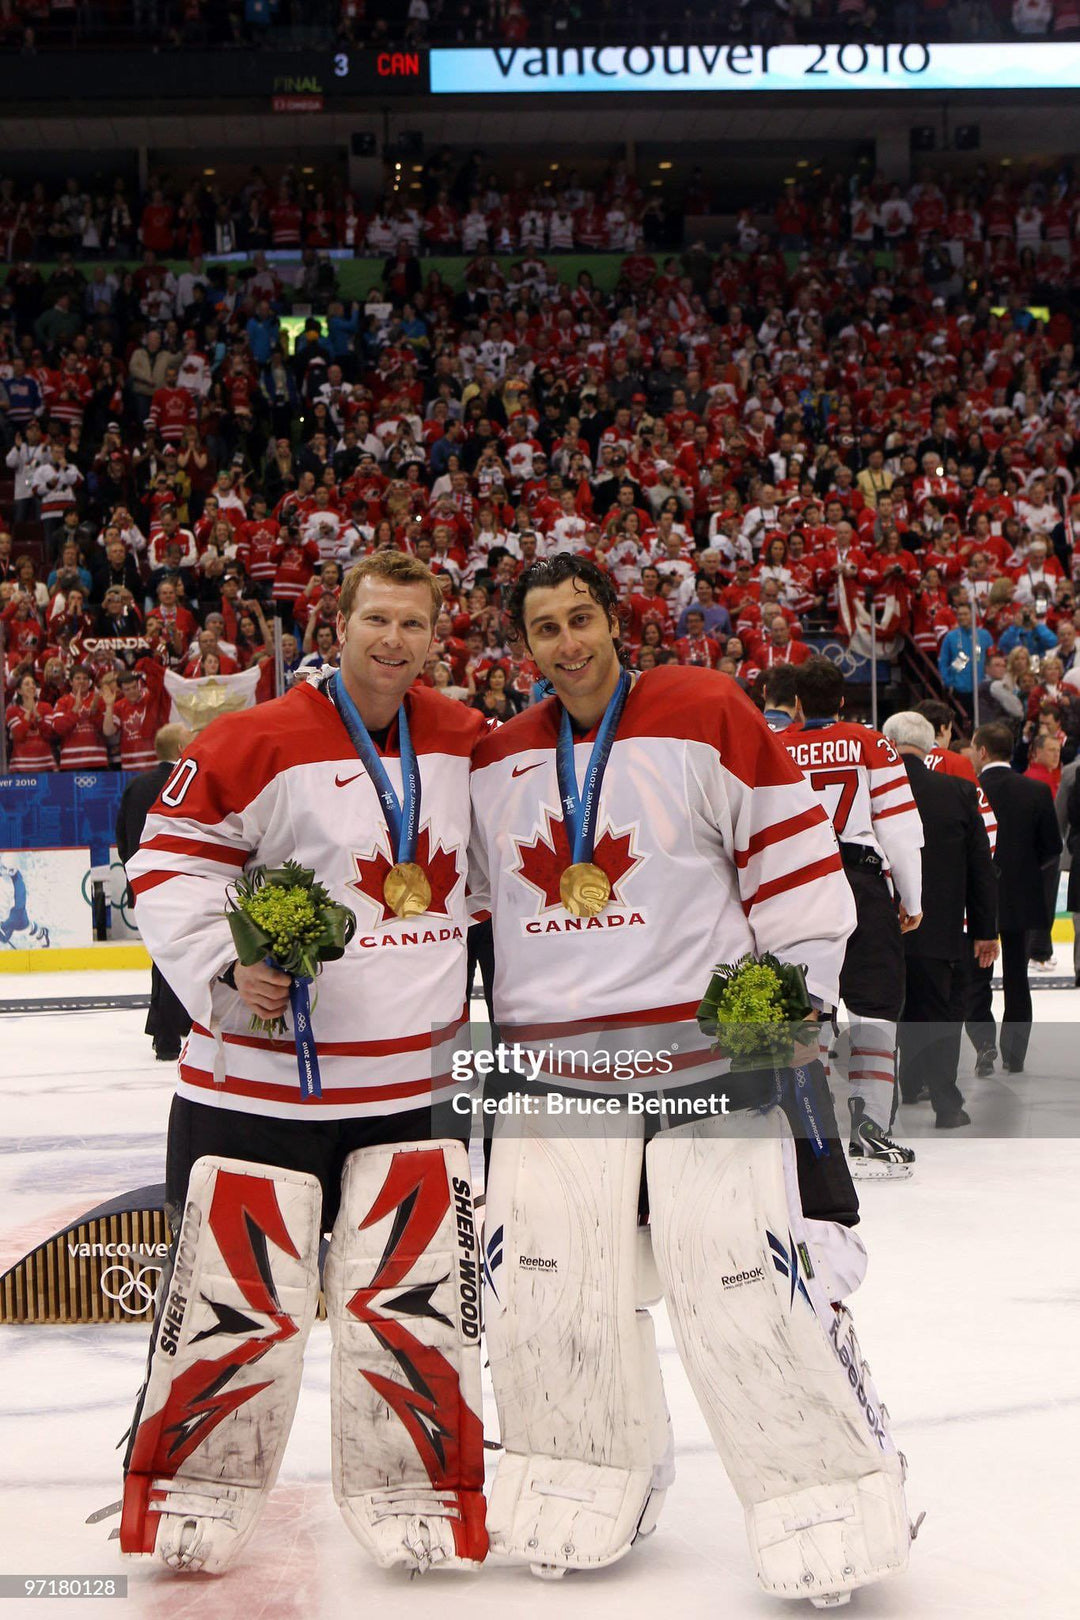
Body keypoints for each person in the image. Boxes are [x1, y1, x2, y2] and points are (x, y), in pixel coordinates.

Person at [468, 555, 913, 1605]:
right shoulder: (495, 760)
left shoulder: (706, 708)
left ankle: (831, 1490)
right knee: (560, 1293)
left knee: (753, 1283)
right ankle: (591, 1472)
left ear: (617, 620)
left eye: (581, 618)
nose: (567, 643)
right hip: (561, 1081)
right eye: (543, 628)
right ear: (521, 648)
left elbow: (796, 868)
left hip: (713, 1066)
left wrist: (790, 1007)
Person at [119, 553, 489, 1576]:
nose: (394, 641)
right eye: (377, 618)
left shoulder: (468, 742)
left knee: (410, 1304)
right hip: (255, 1086)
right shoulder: (253, 737)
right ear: (338, 622)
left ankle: (415, 1476)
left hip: (409, 1092)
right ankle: (188, 1476)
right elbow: (166, 869)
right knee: (226, 1300)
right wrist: (228, 969)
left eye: (414, 624)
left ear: (436, 635)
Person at [786, 657, 925, 1176]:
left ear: (797, 702)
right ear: (842, 700)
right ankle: (871, 1130)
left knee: (807, 1011)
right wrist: (911, 901)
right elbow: (900, 828)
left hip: (797, 888)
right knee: (874, 1009)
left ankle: (809, 1133)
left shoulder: (775, 747)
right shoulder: (871, 743)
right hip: (861, 883)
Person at [882, 712, 999, 1129]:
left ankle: (899, 1093)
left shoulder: (873, 793)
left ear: (888, 743)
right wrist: (985, 931)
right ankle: (947, 1105)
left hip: (883, 926)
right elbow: (981, 870)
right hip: (942, 928)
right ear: (933, 746)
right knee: (940, 1012)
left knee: (890, 1013)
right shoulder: (960, 791)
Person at [972, 721, 1062, 1073]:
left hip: (978, 897)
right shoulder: (1036, 791)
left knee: (977, 977)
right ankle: (1014, 1055)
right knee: (1016, 977)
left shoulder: (970, 789)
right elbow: (1052, 847)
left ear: (981, 751)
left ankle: (983, 1046)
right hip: (1021, 895)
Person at [116, 723, 195, 1062]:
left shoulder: (136, 787)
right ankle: (176, 1031)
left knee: (162, 959)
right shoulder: (190, 783)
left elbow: (123, 840)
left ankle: (167, 1031)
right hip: (186, 884)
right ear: (181, 748)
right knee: (187, 959)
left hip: (145, 886)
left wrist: (136, 877)